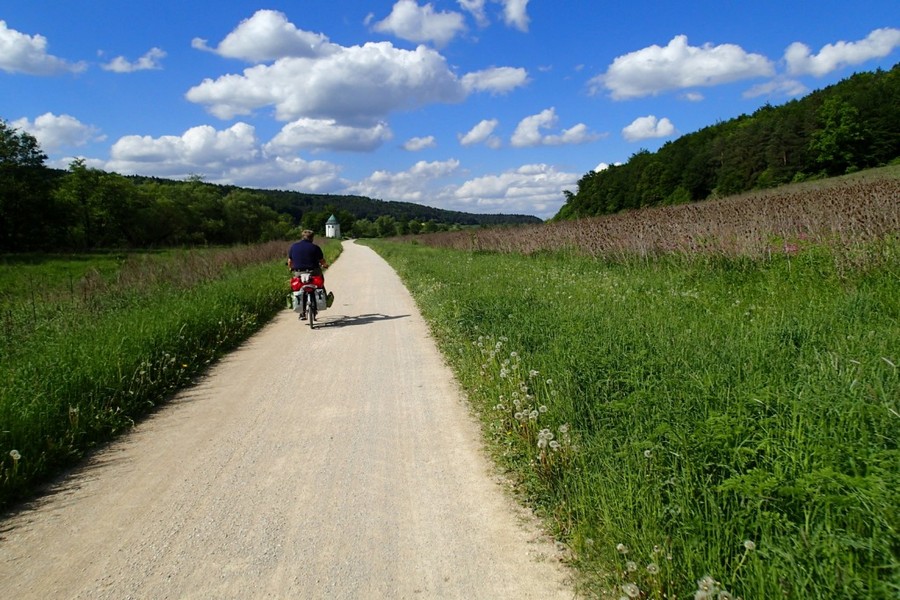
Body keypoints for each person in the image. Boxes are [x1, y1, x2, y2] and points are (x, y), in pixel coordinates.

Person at [287, 230, 332, 316]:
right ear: (312, 238)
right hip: (314, 272)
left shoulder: (294, 247)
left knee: (298, 288)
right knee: (320, 285)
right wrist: (325, 265)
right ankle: (325, 299)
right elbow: (322, 261)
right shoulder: (315, 247)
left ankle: (301, 311)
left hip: (299, 273)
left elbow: (290, 261)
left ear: (302, 237)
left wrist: (290, 268)